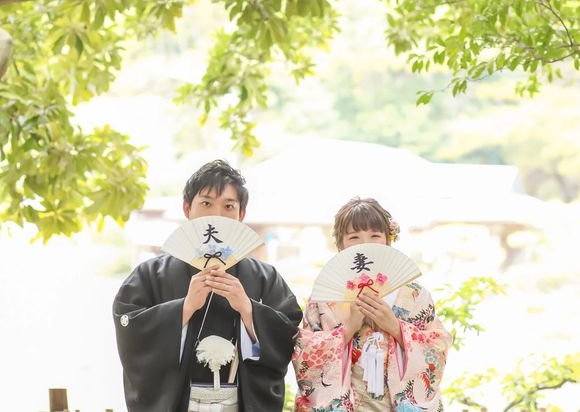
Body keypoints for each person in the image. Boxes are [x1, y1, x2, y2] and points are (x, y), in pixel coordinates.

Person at [113, 159, 302, 412]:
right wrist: (183, 309)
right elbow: (131, 332)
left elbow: (289, 333)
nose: (217, 215)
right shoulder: (150, 275)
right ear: (187, 208)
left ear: (241, 215)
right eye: (206, 203)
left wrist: (249, 310)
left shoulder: (264, 277)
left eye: (228, 206)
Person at [293, 197, 452, 411]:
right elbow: (304, 353)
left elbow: (437, 346)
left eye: (375, 235)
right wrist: (347, 330)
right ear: (340, 244)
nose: (365, 243)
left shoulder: (414, 295)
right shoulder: (324, 298)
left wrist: (396, 328)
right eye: (354, 237)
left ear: (388, 239)